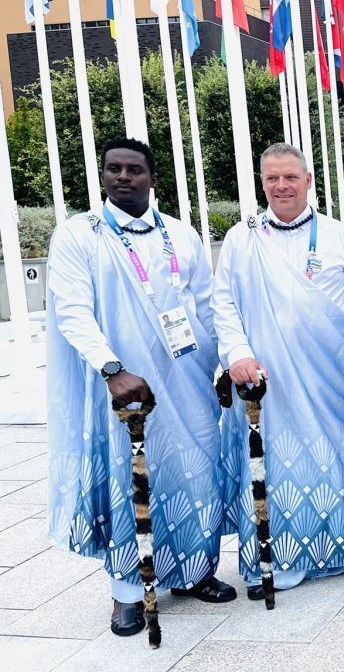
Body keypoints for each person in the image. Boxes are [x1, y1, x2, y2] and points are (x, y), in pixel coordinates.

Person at [45, 138, 237, 637]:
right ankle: (127, 592)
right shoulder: (79, 235)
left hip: (188, 383)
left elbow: (206, 307)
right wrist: (112, 370)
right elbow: (71, 311)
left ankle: (196, 573)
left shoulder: (179, 233)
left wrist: (218, 368)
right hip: (126, 393)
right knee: (133, 482)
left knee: (196, 473)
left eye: (134, 169)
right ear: (103, 175)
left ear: (153, 178)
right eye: (114, 169)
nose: (123, 177)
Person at [212, 143, 344, 599]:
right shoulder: (240, 239)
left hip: (332, 374)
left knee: (338, 458)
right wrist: (237, 355)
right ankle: (273, 560)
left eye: (290, 177)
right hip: (265, 379)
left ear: (309, 181)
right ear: (262, 183)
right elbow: (222, 304)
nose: (281, 186)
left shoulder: (336, 233)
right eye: (272, 178)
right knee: (273, 464)